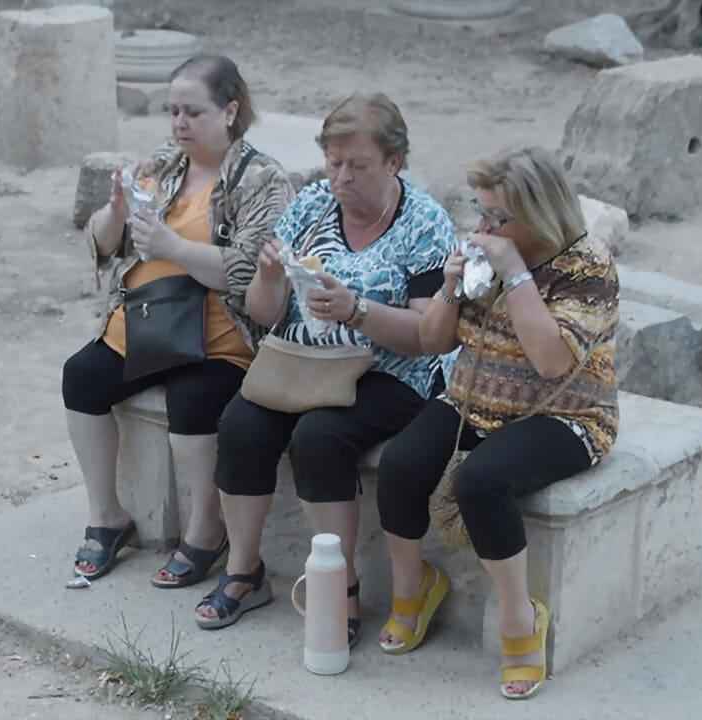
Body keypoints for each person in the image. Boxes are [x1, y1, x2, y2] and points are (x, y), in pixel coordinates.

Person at [194, 94, 457, 645]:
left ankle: (340, 587)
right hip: (304, 362)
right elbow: (266, 314)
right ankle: (244, 571)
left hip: (391, 372)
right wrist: (269, 275)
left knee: (320, 437)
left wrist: (356, 310)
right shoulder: (311, 204)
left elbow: (428, 335)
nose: (341, 177)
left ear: (394, 162)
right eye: (333, 162)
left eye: (357, 165)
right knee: (240, 424)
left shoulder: (425, 222)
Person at [374, 146, 619, 700]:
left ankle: (519, 620)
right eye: (480, 212)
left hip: (565, 414)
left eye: (498, 217)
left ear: (540, 213)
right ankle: (415, 587)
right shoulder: (481, 252)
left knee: (482, 482)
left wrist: (514, 275)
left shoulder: (588, 266)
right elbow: (432, 342)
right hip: (471, 399)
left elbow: (553, 360)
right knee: (400, 464)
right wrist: (449, 288)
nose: (483, 227)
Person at [63, 55, 294, 587]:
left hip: (219, 333)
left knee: (194, 400)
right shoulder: (166, 162)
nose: (179, 124)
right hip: (149, 321)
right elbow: (101, 246)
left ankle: (206, 531)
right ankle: (107, 516)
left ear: (231, 110)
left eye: (192, 111)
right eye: (173, 112)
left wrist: (174, 246)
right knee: (82, 376)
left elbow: (248, 271)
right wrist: (116, 212)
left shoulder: (261, 179)